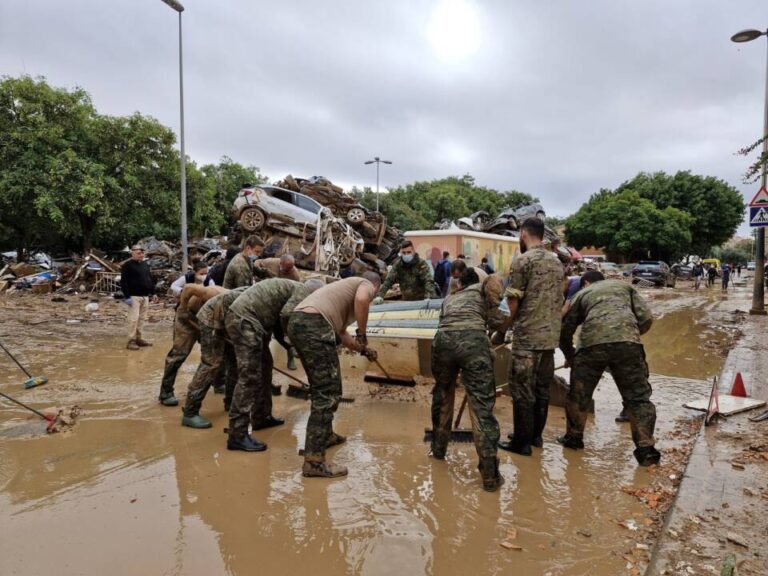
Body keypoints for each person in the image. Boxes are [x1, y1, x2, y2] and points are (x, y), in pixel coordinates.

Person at [558, 271, 661, 466]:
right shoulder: (625, 287)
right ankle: (646, 449)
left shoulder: (581, 294)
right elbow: (646, 318)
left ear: (586, 283)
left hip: (590, 345)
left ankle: (573, 439)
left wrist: (570, 355)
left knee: (579, 395)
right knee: (638, 398)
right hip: (628, 344)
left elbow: (565, 329)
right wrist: (628, 335)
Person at [287, 272, 381, 477]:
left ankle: (325, 435)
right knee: (328, 393)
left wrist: (362, 349)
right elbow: (363, 299)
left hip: (298, 322)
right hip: (314, 324)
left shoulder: (340, 294)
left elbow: (342, 335)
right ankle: (314, 461)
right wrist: (363, 335)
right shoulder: (365, 284)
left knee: (320, 387)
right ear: (377, 287)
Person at [430, 267, 505, 491]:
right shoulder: (484, 292)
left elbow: (445, 323)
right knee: (481, 407)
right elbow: (498, 320)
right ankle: (490, 476)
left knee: (442, 395)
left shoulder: (450, 298)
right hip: (473, 342)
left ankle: (438, 451)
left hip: (442, 341)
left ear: (460, 284)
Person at [224, 279, 319, 451]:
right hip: (245, 320)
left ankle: (261, 417)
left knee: (266, 365)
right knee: (249, 377)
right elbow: (286, 315)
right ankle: (237, 435)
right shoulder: (303, 290)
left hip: (251, 320)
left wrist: (291, 346)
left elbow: (278, 323)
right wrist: (295, 339)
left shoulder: (292, 290)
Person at [497, 218, 564, 456]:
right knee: (541, 389)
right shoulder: (557, 263)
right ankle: (535, 438)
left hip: (527, 339)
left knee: (522, 391)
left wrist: (502, 329)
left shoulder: (522, 261)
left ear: (523, 234)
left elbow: (512, 301)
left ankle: (521, 445)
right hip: (549, 340)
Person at [158, 284, 225, 406]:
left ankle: (218, 383)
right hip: (189, 317)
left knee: (218, 353)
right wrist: (183, 309)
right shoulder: (215, 294)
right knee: (179, 353)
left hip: (208, 322)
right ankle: (166, 392)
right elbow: (188, 288)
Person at [372, 241, 437, 304]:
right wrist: (380, 296)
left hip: (422, 300)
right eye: (404, 253)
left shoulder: (421, 264)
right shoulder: (398, 265)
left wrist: (428, 297)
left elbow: (428, 281)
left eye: (409, 252)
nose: (406, 255)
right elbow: (388, 281)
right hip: (407, 301)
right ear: (401, 253)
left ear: (413, 252)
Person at [121, 244, 158, 350]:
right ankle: (131, 341)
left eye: (142, 253)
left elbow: (149, 279)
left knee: (142, 319)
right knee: (133, 319)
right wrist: (127, 296)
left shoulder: (145, 265)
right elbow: (124, 282)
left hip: (145, 296)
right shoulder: (127, 265)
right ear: (132, 253)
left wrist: (153, 293)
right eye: (138, 253)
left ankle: (139, 339)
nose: (141, 255)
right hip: (134, 296)